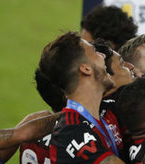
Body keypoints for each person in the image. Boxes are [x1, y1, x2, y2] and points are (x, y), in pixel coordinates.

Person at [37, 32, 125, 163]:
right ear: (86, 69)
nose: (103, 55)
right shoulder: (70, 132)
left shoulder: (108, 109)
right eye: (95, 52)